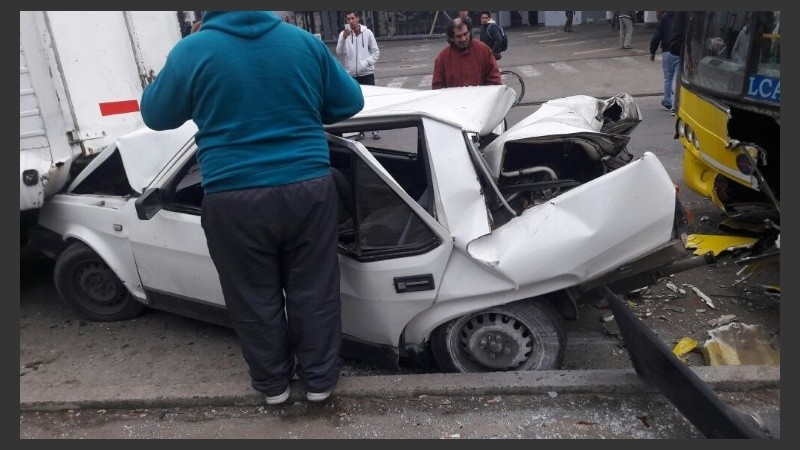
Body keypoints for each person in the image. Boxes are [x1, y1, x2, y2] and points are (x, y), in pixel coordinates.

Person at [140, 11, 364, 406]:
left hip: (232, 194)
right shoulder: (303, 42)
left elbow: (156, 115)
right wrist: (303, 107)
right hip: (307, 187)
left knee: (251, 295)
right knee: (314, 289)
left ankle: (274, 386)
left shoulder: (192, 50)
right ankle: (320, 382)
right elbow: (351, 101)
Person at [336, 11, 381, 140]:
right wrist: (343, 38)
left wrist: (365, 63)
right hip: (351, 74)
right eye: (348, 19)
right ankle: (359, 130)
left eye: (352, 18)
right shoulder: (343, 34)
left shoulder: (367, 33)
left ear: (358, 19)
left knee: (371, 101)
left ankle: (375, 129)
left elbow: (376, 52)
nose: (350, 21)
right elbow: (339, 52)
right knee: (356, 103)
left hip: (366, 73)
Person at [432, 17, 501, 89]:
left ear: (470, 32)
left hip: (481, 99)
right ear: (451, 38)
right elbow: (437, 88)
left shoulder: (484, 50)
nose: (463, 39)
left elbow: (495, 81)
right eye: (458, 36)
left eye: (465, 34)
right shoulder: (442, 58)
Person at [650, 11, 679, 112]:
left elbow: (657, 36)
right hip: (678, 51)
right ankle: (675, 105)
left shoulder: (664, 18)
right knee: (677, 78)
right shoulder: (682, 18)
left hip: (666, 51)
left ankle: (667, 101)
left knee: (668, 78)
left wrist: (652, 51)